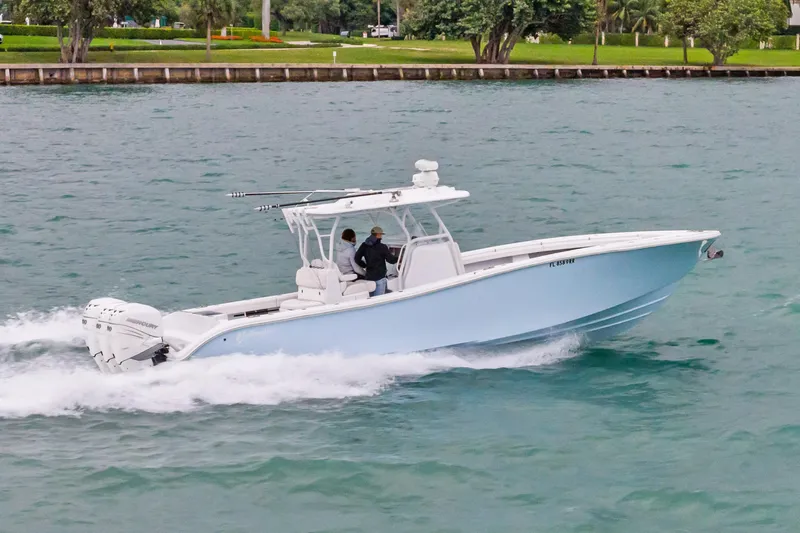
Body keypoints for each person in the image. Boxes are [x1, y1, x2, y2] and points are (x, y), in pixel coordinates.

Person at [355, 226, 398, 297]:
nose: (381, 236)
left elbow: (356, 258)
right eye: (381, 234)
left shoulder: (364, 245)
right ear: (378, 235)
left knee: (371, 299)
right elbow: (391, 260)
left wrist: (364, 265)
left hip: (369, 278)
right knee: (379, 300)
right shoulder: (382, 247)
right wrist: (400, 258)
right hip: (379, 278)